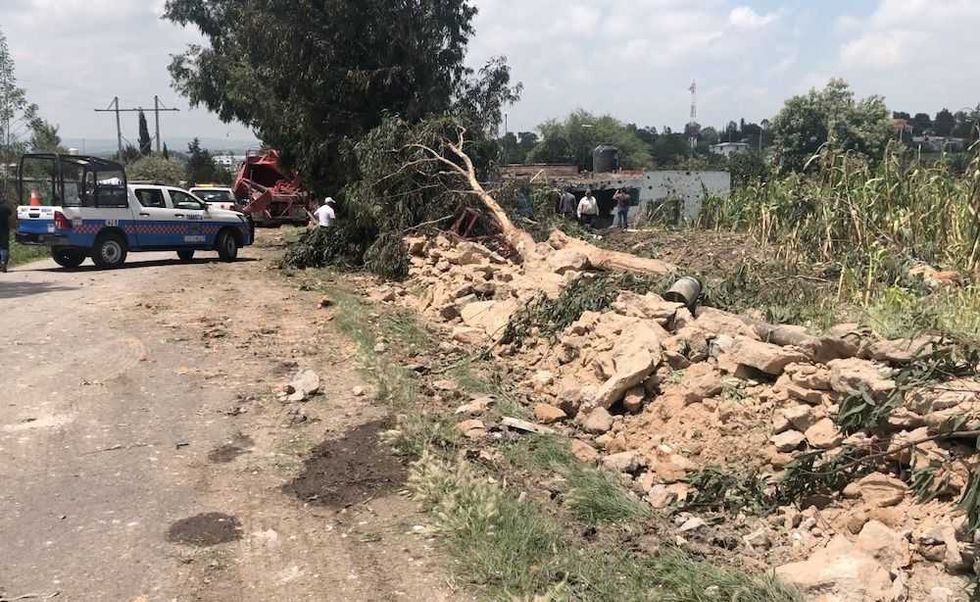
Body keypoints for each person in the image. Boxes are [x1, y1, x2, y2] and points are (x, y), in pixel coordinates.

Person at [0, 195, 11, 273]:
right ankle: (3, 262)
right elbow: (10, 213)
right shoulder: (5, 208)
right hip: (4, 231)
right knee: (4, 247)